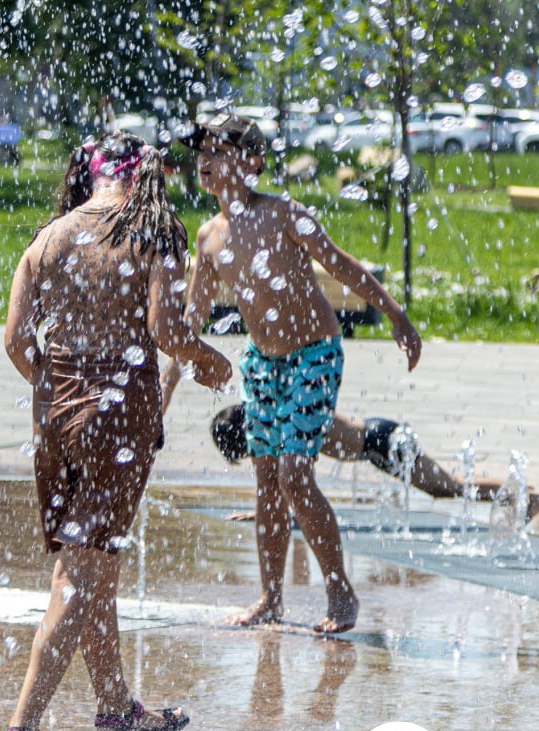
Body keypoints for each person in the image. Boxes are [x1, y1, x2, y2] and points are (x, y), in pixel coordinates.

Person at [0, 132, 233, 731]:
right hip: (118, 424)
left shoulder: (48, 239)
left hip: (55, 417)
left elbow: (16, 341)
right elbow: (164, 328)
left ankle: (114, 709)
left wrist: (64, 391)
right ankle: (23, 730)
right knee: (77, 576)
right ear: (143, 177)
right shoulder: (152, 232)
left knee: (95, 563)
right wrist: (207, 359)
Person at [172, 113, 422, 635]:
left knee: (293, 475)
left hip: (314, 354)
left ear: (252, 162)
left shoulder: (283, 214)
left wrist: (395, 314)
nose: (206, 161)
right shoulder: (209, 236)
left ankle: (340, 589)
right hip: (263, 363)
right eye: (202, 153)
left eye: (218, 151)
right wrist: (163, 392)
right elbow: (191, 322)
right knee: (266, 480)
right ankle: (270, 596)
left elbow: (341, 264)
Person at [195, 405, 539, 520]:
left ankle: (524, 495)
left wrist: (269, 510)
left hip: (382, 439)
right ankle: (519, 492)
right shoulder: (278, 415)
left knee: (446, 487)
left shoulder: (284, 421)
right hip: (377, 444)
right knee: (445, 486)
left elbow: (296, 477)